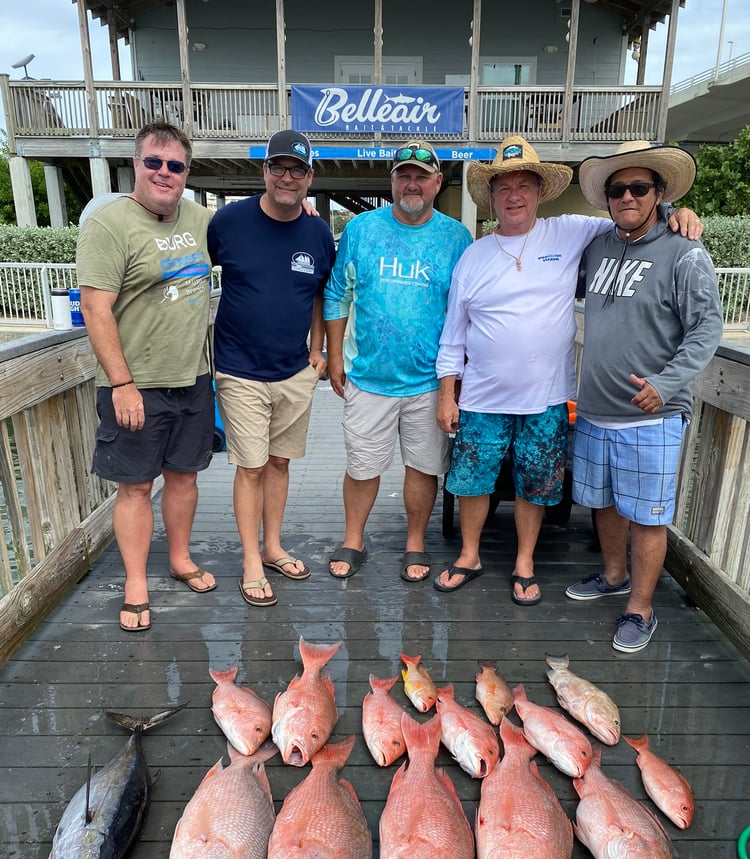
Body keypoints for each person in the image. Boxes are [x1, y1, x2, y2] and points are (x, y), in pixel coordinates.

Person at [434, 135, 701, 605]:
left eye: (523, 185)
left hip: (547, 396)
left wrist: (678, 210)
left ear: (540, 192)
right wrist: (446, 393)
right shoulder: (472, 256)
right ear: (491, 198)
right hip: (480, 396)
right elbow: (454, 334)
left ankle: (524, 562)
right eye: (503, 188)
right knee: (472, 481)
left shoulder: (573, 230)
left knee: (534, 484)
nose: (514, 195)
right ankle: (469, 555)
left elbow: (634, 215)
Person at [565, 140, 722, 652]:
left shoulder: (684, 250)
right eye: (618, 189)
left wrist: (666, 384)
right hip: (594, 411)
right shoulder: (598, 246)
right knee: (605, 503)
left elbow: (706, 328)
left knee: (650, 517)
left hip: (651, 414)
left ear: (659, 193)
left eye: (640, 187)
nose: (627, 196)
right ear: (606, 198)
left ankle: (641, 608)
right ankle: (613, 576)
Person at [77, 121, 216, 632]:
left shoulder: (201, 220)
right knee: (135, 487)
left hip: (194, 376)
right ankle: (136, 581)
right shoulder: (110, 224)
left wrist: (302, 212)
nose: (164, 172)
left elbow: (256, 227)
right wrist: (122, 383)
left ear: (186, 172)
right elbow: (96, 308)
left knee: (184, 477)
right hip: (134, 382)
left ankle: (179, 559)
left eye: (175, 165)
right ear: (136, 164)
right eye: (153, 162)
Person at [323, 140, 473, 583]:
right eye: (404, 175)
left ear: (437, 183)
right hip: (368, 376)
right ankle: (354, 538)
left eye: (421, 176)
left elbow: (467, 309)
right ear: (392, 181)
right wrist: (335, 356)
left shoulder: (456, 237)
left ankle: (415, 541)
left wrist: (457, 380)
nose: (412, 183)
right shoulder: (361, 229)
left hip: (430, 381)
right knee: (362, 465)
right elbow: (337, 292)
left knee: (424, 467)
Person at [208, 130, 335, 607]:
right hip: (240, 368)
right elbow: (192, 266)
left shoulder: (317, 231)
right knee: (252, 466)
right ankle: (250, 561)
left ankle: (273, 545)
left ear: (309, 177)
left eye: (297, 169)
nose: (287, 177)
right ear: (264, 171)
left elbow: (322, 292)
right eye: (278, 167)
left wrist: (318, 349)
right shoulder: (227, 222)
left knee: (280, 462)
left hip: (294, 370)